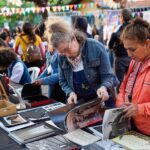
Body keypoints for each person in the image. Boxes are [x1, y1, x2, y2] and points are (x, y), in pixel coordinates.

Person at [45, 17, 117, 107]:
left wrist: (103, 87)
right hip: (81, 105)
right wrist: (70, 93)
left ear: (73, 38)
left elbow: (108, 76)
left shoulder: (95, 47)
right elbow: (62, 81)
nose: (66, 54)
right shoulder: (62, 56)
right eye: (62, 52)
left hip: (103, 102)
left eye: (67, 49)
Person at [116, 18, 150, 135]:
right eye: (126, 49)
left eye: (132, 49)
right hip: (132, 126)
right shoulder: (135, 61)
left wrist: (139, 109)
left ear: (147, 43)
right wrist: (120, 103)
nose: (129, 54)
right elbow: (123, 87)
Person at [109, 9, 132, 90]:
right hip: (133, 58)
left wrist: (114, 46)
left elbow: (110, 45)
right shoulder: (134, 29)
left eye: (120, 16)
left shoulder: (117, 33)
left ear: (122, 17)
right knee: (132, 80)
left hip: (120, 59)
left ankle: (121, 100)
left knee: (120, 82)